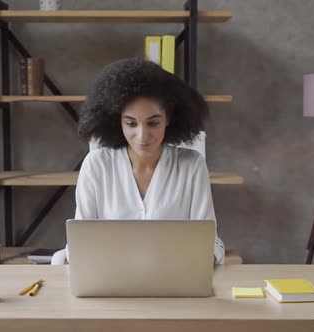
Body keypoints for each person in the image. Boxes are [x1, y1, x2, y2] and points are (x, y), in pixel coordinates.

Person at [55, 57, 225, 265]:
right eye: (131, 123)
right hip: (110, 285)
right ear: (117, 120)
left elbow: (211, 243)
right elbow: (79, 242)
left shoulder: (191, 166)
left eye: (153, 123)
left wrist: (203, 256)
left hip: (174, 285)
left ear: (169, 118)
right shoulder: (96, 165)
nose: (142, 136)